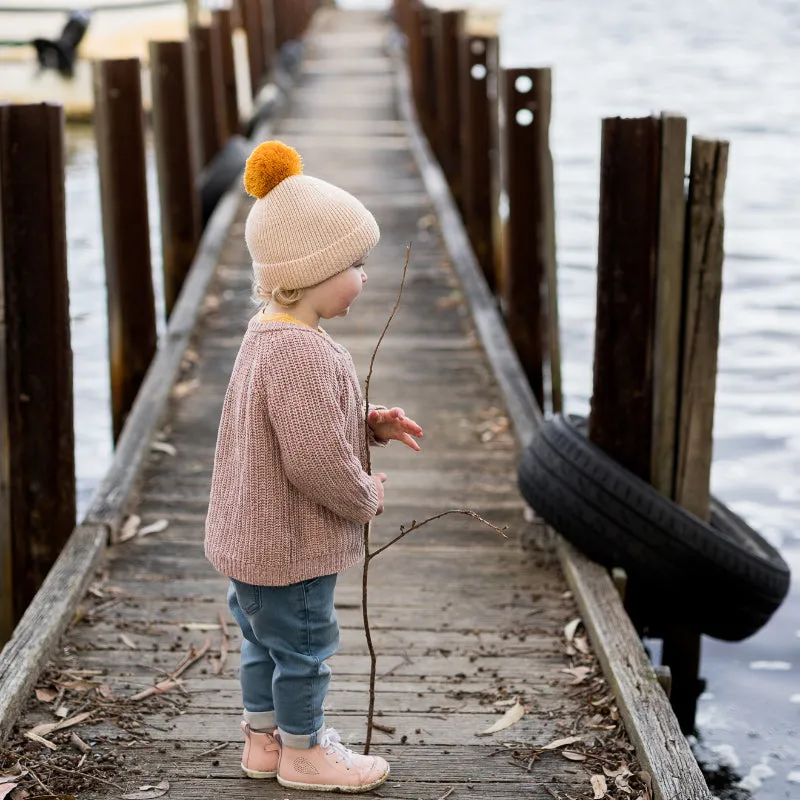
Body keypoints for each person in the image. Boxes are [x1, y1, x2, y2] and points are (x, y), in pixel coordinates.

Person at [204, 140, 423, 793]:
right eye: (356, 263)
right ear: (314, 271)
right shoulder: (301, 353)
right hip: (291, 547)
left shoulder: (269, 333)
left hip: (253, 543)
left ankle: (264, 743)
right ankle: (305, 755)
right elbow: (313, 461)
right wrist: (364, 495)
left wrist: (366, 424)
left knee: (262, 645)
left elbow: (296, 427)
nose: (364, 277)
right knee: (304, 651)